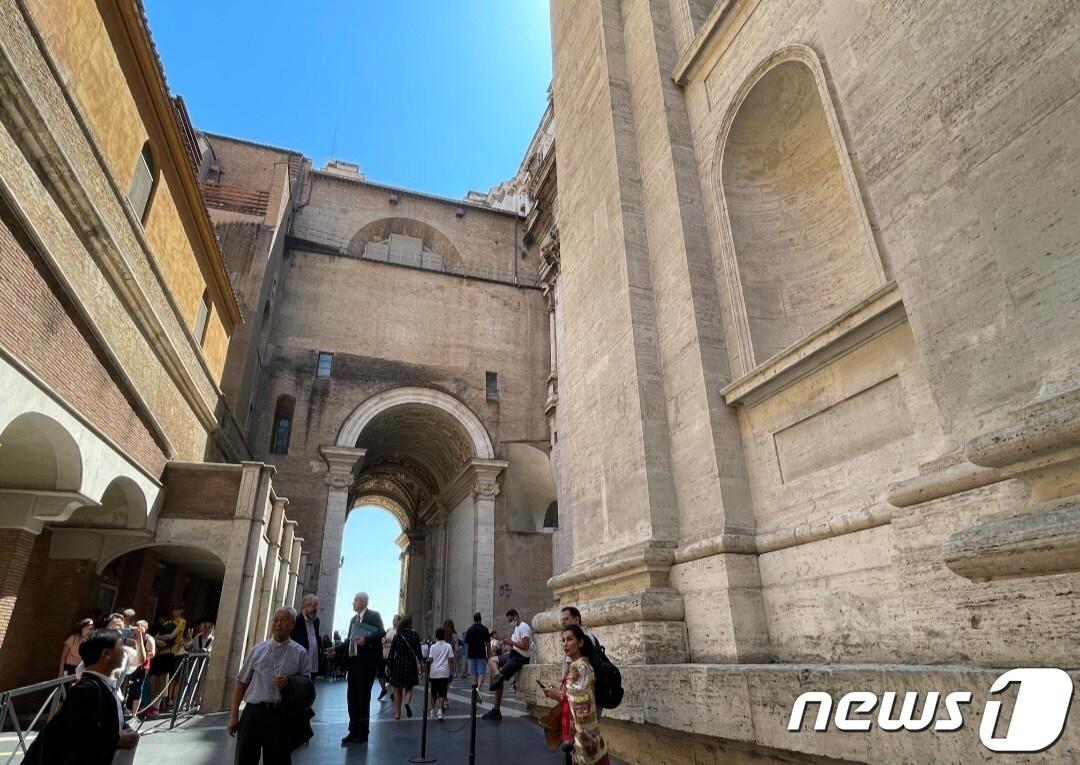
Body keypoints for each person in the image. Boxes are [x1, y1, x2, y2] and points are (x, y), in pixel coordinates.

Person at [25, 629, 140, 764]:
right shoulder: (87, 690)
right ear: (106, 654)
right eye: (121, 647)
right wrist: (116, 740)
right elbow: (78, 735)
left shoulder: (105, 687)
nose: (125, 652)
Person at [228, 607, 310, 765]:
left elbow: (306, 685)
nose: (278, 624)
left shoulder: (300, 653)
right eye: (275, 620)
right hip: (253, 713)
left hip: (281, 715)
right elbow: (241, 682)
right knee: (245, 759)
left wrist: (289, 682)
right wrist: (233, 716)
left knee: (278, 760)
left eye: (283, 620)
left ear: (292, 625)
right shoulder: (257, 650)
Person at [542, 624, 609, 764]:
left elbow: (581, 701)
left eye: (570, 639)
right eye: (563, 640)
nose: (565, 644)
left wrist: (558, 695)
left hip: (584, 734)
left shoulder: (582, 667)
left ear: (580, 642)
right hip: (576, 731)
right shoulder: (576, 666)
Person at [342, 592, 385, 744]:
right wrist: (337, 649)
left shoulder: (373, 615)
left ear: (363, 602)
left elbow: (381, 632)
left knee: (363, 698)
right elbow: (349, 639)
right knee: (351, 699)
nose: (353, 602)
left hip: (367, 665)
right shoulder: (353, 619)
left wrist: (365, 640)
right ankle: (352, 730)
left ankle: (363, 733)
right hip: (353, 663)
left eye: (355, 600)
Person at [482, 608, 531, 721]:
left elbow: (525, 646)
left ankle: (496, 710)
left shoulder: (523, 627)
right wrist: (505, 642)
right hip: (513, 654)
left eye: (510, 620)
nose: (510, 622)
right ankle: (498, 675)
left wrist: (511, 642)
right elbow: (515, 644)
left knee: (498, 680)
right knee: (491, 660)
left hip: (520, 658)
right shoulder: (517, 628)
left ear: (515, 616)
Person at [386, 614, 422, 721]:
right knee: (409, 687)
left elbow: (392, 652)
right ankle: (406, 702)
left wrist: (388, 665)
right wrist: (421, 663)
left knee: (397, 688)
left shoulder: (398, 635)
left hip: (399, 663)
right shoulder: (414, 635)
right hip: (410, 663)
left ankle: (397, 714)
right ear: (410, 623)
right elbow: (418, 652)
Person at [290, 595, 324, 677]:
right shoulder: (296, 621)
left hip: (313, 667)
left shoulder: (316, 621)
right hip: (299, 667)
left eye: (317, 606)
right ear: (304, 606)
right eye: (314, 606)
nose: (316, 609)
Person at [127, 619, 155, 716]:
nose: (137, 628)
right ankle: (127, 708)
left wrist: (141, 654)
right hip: (132, 665)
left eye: (140, 626)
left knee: (138, 688)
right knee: (129, 686)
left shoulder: (149, 639)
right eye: (136, 625)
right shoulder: (133, 637)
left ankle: (134, 712)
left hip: (142, 667)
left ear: (145, 628)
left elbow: (152, 653)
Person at [427, 627, 454, 721]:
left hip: (433, 672)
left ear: (436, 636)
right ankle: (439, 711)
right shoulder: (448, 646)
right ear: (444, 635)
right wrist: (451, 671)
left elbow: (430, 659)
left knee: (433, 692)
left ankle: (432, 710)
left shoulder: (433, 647)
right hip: (444, 672)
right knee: (442, 692)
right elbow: (451, 660)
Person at [463, 612, 491, 695]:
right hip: (481, 654)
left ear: (474, 619)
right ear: (480, 619)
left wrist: (467, 654)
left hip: (471, 654)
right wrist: (489, 655)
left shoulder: (469, 629)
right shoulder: (485, 629)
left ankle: (475, 685)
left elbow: (466, 643)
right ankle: (478, 688)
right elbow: (488, 644)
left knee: (473, 673)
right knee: (481, 673)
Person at [379, 614, 401, 701]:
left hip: (393, 656)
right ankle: (383, 689)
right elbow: (383, 639)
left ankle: (393, 692)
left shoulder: (400, 631)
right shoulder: (389, 630)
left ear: (399, 621)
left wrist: (390, 641)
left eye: (395, 619)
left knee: (392, 674)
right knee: (381, 673)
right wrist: (384, 641)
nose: (393, 621)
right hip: (384, 654)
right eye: (393, 619)